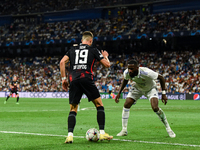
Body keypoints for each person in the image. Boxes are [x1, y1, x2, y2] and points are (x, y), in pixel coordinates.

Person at [60, 31, 113, 143]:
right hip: (86, 78)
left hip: (73, 80)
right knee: (99, 105)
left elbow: (62, 62)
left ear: (82, 40)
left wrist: (64, 79)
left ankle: (69, 136)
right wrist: (105, 57)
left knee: (73, 109)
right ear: (90, 41)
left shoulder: (72, 50)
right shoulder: (93, 50)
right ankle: (102, 133)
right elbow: (107, 65)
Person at [115, 60, 176, 138]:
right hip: (137, 88)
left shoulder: (147, 72)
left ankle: (169, 129)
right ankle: (124, 130)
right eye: (129, 68)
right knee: (126, 104)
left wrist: (163, 94)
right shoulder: (127, 72)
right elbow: (125, 80)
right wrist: (119, 93)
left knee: (155, 108)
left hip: (150, 89)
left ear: (137, 68)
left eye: (132, 69)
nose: (130, 71)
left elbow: (161, 78)